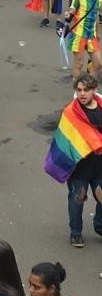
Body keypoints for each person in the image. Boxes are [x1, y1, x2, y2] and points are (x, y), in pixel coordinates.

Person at [44, 73, 102, 248]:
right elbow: (64, 139)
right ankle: (76, 232)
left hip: (99, 166)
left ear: (94, 90)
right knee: (77, 199)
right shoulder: (71, 112)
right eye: (79, 90)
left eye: (86, 90)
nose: (82, 94)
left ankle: (99, 226)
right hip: (79, 168)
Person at [63, 0, 102, 79]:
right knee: (79, 64)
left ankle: (90, 87)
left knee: (98, 64)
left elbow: (96, 17)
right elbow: (72, 9)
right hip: (79, 35)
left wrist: (97, 32)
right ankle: (78, 90)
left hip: (91, 36)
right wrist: (68, 15)